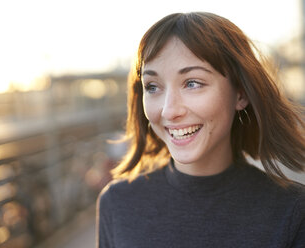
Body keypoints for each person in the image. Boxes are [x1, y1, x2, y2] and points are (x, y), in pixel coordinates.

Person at [96, 12, 305, 247]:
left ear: (240, 94)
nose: (168, 110)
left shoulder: (292, 211)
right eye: (152, 86)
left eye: (192, 83)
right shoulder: (116, 203)